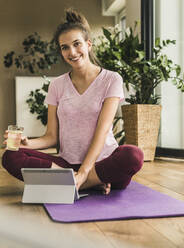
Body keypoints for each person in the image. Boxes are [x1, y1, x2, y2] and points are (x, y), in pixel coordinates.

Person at [2, 8, 143, 195]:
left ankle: (78, 182)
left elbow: (102, 131)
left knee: (133, 155)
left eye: (77, 44)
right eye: (65, 47)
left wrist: (85, 172)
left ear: (89, 44)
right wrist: (26, 143)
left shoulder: (111, 79)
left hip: (103, 164)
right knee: (10, 155)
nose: (72, 52)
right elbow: (51, 137)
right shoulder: (57, 85)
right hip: (66, 164)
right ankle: (88, 182)